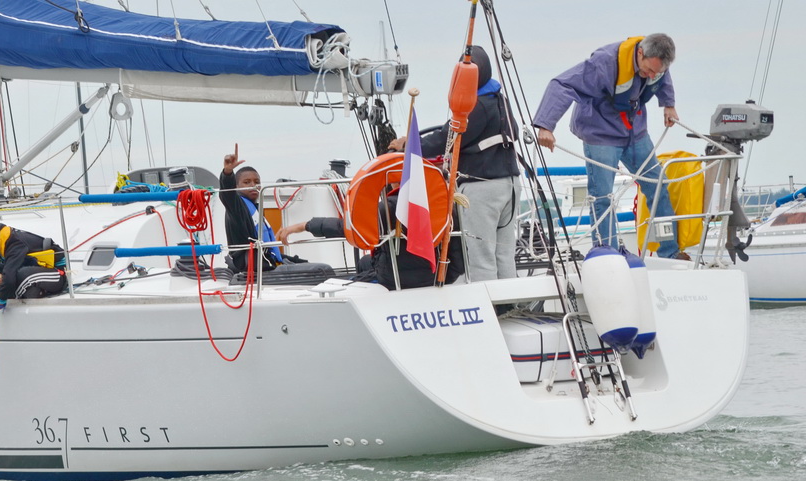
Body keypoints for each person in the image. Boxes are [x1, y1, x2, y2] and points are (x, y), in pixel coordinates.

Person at [532, 33, 683, 258]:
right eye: (649, 70)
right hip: (601, 134)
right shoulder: (603, 63)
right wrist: (545, 125)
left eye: (656, 73)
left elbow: (661, 74)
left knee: (658, 185)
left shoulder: (656, 65)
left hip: (635, 132)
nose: (652, 76)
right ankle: (609, 256)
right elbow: (562, 84)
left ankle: (670, 253)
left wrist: (668, 104)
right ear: (640, 53)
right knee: (602, 198)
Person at [392, 46, 520, 282]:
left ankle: (486, 302)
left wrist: (409, 145)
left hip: (482, 190)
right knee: (504, 255)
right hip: (510, 185)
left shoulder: (474, 106)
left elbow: (447, 138)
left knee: (481, 257)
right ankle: (511, 300)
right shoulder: (499, 99)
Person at [276, 193, 464, 289]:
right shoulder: (446, 208)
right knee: (365, 262)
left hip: (393, 281)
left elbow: (351, 228)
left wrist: (305, 226)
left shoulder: (390, 208)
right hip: (432, 277)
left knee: (341, 280)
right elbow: (458, 262)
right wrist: (441, 281)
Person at [219, 145, 304, 275]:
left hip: (266, 262)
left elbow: (266, 248)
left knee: (311, 266)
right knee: (318, 269)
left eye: (257, 182)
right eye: (247, 182)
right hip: (251, 267)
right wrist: (228, 172)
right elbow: (227, 194)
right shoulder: (237, 207)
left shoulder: (256, 209)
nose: (253, 185)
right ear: (236, 186)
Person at [0, 220, 68, 308]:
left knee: (21, 275)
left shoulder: (15, 242)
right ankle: (17, 295)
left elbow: (9, 276)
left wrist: (1, 301)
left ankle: (8, 300)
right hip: (29, 270)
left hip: (58, 274)